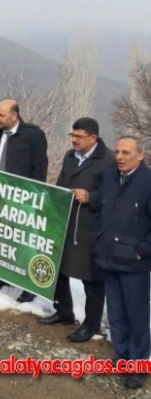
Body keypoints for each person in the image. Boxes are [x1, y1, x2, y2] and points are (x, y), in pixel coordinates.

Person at [37, 117, 114, 342]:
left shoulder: (107, 161)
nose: (73, 140)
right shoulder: (70, 156)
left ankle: (91, 325)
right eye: (72, 135)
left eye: (78, 137)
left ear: (93, 137)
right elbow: (62, 182)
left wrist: (91, 197)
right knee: (59, 268)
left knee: (91, 278)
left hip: (90, 226)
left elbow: (113, 196)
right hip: (66, 220)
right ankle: (64, 311)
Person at [91, 135, 151, 390]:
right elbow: (101, 209)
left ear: (141, 155)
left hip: (134, 263)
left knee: (136, 316)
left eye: (126, 152)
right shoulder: (110, 177)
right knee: (116, 313)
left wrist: (143, 249)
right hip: (109, 258)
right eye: (117, 151)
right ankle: (123, 356)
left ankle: (139, 365)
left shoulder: (148, 182)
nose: (119, 157)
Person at [0, 99, 48, 303]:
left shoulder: (33, 136)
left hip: (21, 198)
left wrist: (32, 196)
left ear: (14, 115)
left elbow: (39, 168)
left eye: (1, 115)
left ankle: (28, 285)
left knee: (21, 241)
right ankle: (0, 277)